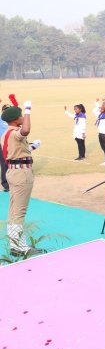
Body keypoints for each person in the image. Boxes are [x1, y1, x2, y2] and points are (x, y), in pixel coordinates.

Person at [2, 99, 43, 256]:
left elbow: (17, 153)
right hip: (21, 174)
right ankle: (20, 247)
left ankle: (15, 244)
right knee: (19, 212)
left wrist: (32, 147)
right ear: (15, 119)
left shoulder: (6, 134)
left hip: (14, 171)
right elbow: (25, 130)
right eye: (20, 116)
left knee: (13, 211)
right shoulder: (14, 133)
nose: (22, 118)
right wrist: (27, 110)